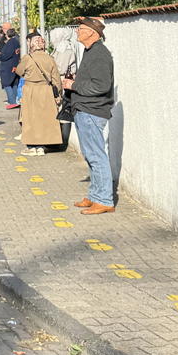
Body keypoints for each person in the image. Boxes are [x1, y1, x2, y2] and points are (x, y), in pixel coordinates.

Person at [62, 17, 116, 214]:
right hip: (86, 109)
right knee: (91, 156)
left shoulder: (99, 54)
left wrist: (73, 85)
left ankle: (104, 200)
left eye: (81, 28)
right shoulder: (91, 51)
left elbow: (101, 86)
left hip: (92, 110)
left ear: (92, 33)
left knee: (96, 156)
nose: (77, 31)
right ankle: (95, 196)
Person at [15, 33, 63, 155]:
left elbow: (19, 71)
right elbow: (56, 79)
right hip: (46, 91)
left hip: (31, 90)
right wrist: (58, 94)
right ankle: (41, 146)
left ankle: (32, 147)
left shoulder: (28, 58)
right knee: (43, 119)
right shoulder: (50, 58)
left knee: (30, 119)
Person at [0, 28, 22, 109]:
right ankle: (15, 100)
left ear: (7, 35)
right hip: (15, 64)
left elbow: (6, 55)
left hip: (8, 65)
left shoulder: (11, 43)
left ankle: (12, 101)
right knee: (14, 83)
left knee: (7, 83)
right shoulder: (17, 41)